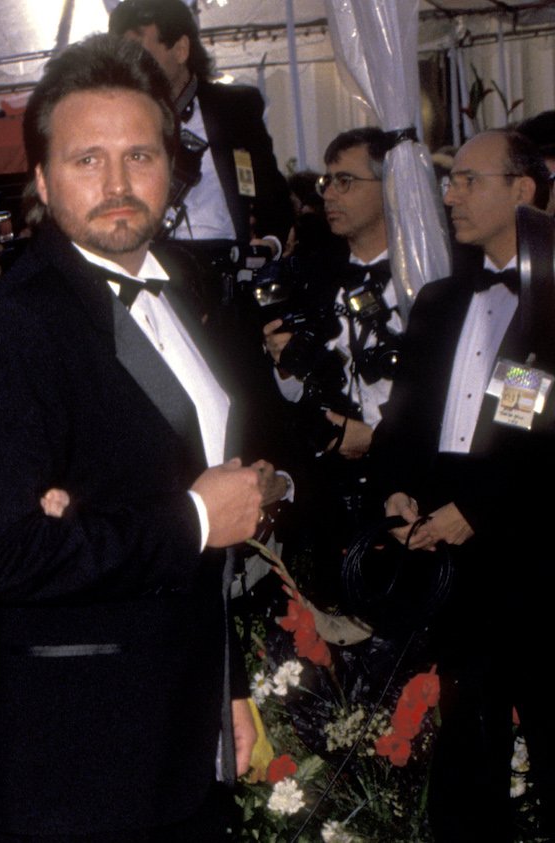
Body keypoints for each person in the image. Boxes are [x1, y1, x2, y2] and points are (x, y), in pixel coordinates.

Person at [0, 34, 283, 840]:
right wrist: (196, 519)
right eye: (86, 159)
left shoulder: (179, 290)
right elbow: (4, 553)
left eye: (138, 155)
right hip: (68, 757)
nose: (117, 184)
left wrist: (224, 684)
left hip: (173, 727)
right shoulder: (18, 328)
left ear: (171, 170)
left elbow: (157, 481)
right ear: (40, 178)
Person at [374, 129, 554, 842]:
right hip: (453, 569)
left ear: (523, 190)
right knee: (468, 756)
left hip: (534, 558)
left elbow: (530, 427)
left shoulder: (549, 303)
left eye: (469, 180)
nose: (449, 194)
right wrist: (394, 493)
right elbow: (401, 421)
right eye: (450, 180)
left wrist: (475, 509)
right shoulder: (439, 300)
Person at [261, 128, 403, 601]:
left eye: (346, 181)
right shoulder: (310, 278)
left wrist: (381, 439)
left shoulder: (435, 276)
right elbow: (291, 403)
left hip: (411, 496)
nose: (331, 195)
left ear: (392, 187)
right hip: (332, 503)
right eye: (327, 183)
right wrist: (286, 372)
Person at [110, 0, 292, 253]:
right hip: (151, 269)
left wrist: (269, 246)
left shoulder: (235, 108)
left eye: (137, 52)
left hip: (226, 264)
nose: (127, 65)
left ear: (181, 49)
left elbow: (273, 195)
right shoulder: (114, 121)